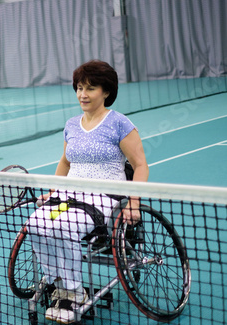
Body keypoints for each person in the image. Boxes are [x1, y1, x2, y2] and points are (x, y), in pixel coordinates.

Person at [27, 60, 148, 324]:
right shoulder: (71, 124)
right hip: (69, 195)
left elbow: (140, 165)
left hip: (105, 198)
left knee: (65, 226)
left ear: (106, 91)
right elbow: (65, 162)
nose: (83, 94)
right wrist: (53, 191)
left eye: (90, 88)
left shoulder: (120, 123)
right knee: (35, 223)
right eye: (80, 87)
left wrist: (134, 203)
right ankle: (59, 284)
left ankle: (74, 291)